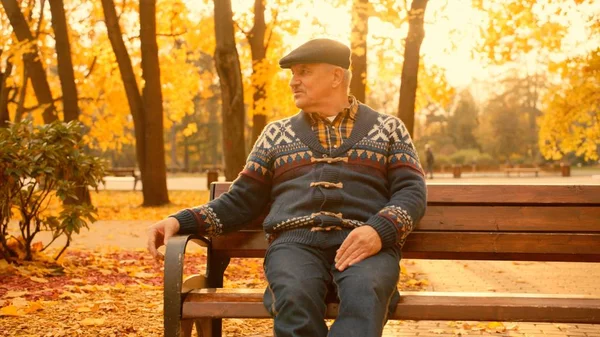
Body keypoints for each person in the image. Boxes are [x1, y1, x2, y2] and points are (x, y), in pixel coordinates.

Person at [147, 38, 427, 337]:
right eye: (292, 74)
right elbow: (240, 201)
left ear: (336, 76)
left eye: (303, 72)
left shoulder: (389, 129)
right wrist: (179, 220)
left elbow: (412, 191)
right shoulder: (275, 135)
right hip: (294, 245)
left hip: (365, 243)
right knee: (293, 295)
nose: (294, 82)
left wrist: (378, 231)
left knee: (366, 291)